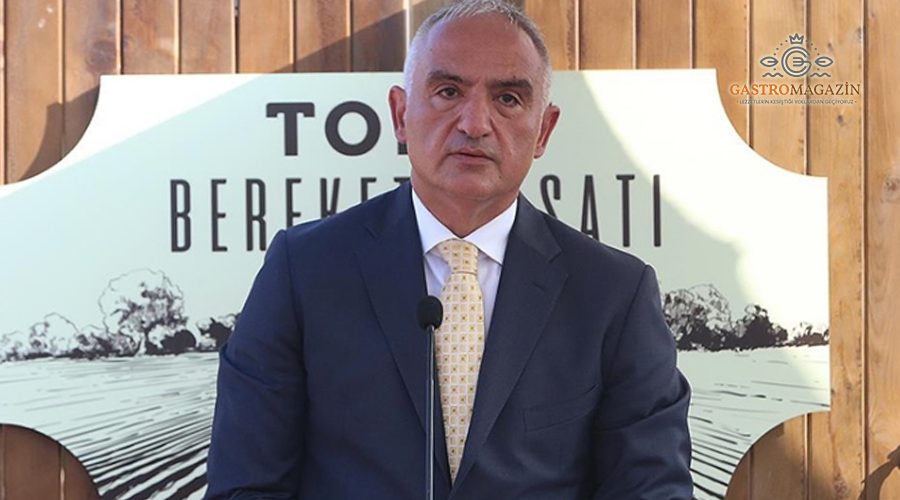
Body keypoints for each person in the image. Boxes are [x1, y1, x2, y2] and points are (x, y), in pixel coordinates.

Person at [205, 1, 692, 498]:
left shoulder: (613, 294)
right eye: (448, 92)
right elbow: (244, 487)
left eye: (507, 98)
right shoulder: (304, 271)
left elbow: (652, 489)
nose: (474, 123)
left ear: (543, 130)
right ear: (401, 114)